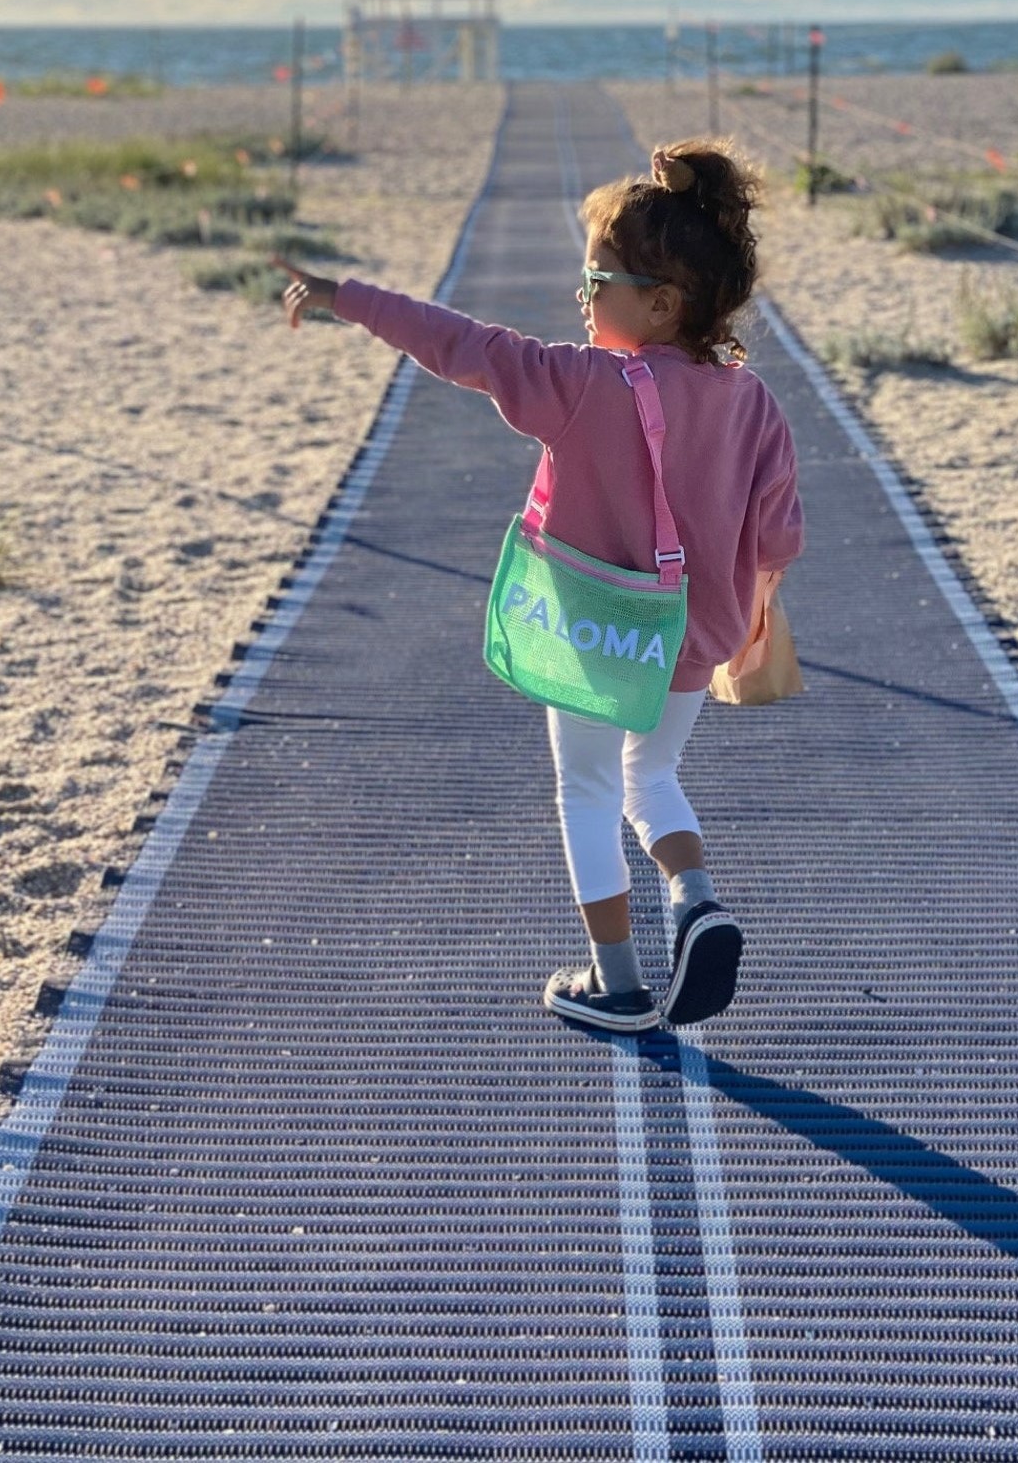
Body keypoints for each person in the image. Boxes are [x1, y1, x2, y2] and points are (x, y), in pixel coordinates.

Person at [275, 138, 804, 1033]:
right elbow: (779, 532)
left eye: (597, 281)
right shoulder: (751, 400)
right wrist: (749, 616)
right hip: (690, 635)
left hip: (596, 629)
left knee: (587, 790)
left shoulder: (583, 385)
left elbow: (464, 346)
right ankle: (696, 899)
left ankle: (618, 983)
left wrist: (344, 296)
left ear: (662, 302)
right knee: (653, 775)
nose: (581, 297)